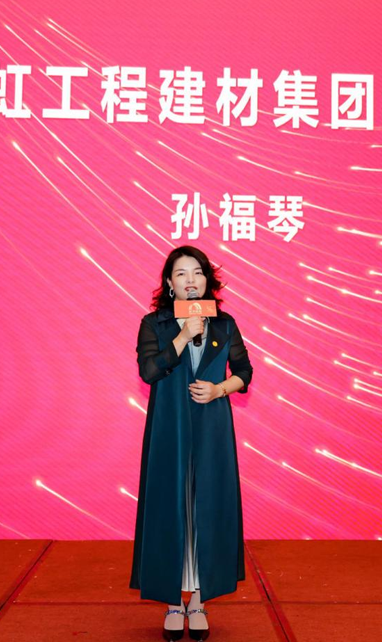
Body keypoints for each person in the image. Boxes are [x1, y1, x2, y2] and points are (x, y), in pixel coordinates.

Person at [129, 245, 253, 640]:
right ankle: (172, 602)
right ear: (170, 283)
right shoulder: (154, 324)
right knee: (172, 507)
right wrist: (182, 336)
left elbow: (245, 371)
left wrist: (220, 389)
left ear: (207, 280)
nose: (190, 280)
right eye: (181, 273)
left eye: (197, 272)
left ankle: (197, 601)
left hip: (212, 428)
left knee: (207, 508)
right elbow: (149, 371)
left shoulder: (225, 323)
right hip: (170, 427)